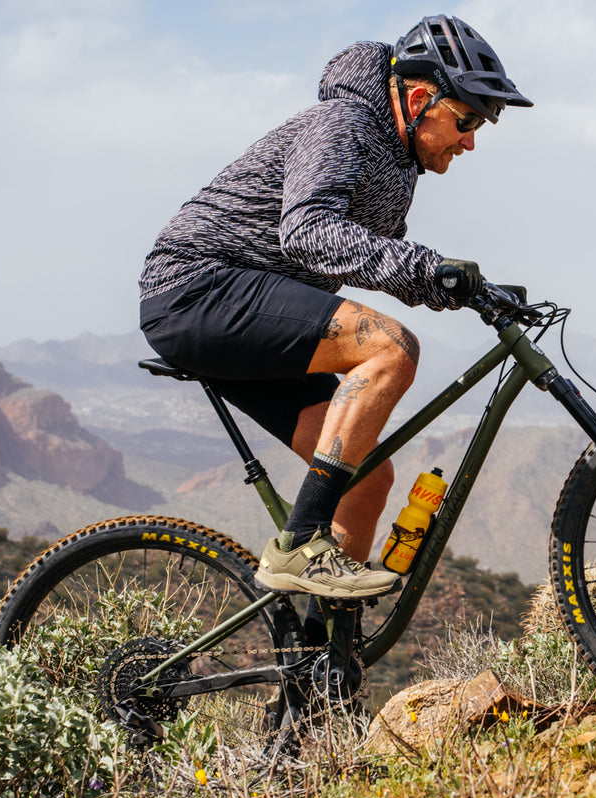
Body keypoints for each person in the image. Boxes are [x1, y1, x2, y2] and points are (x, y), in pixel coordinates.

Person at [137, 15, 532, 622]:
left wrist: (471, 291)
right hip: (197, 289)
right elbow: (309, 232)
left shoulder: (397, 162)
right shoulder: (343, 124)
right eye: (468, 120)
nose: (471, 141)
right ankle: (300, 545)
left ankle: (322, 664)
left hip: (256, 308)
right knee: (392, 347)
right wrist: (431, 270)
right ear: (420, 101)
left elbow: (379, 258)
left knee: (368, 480)